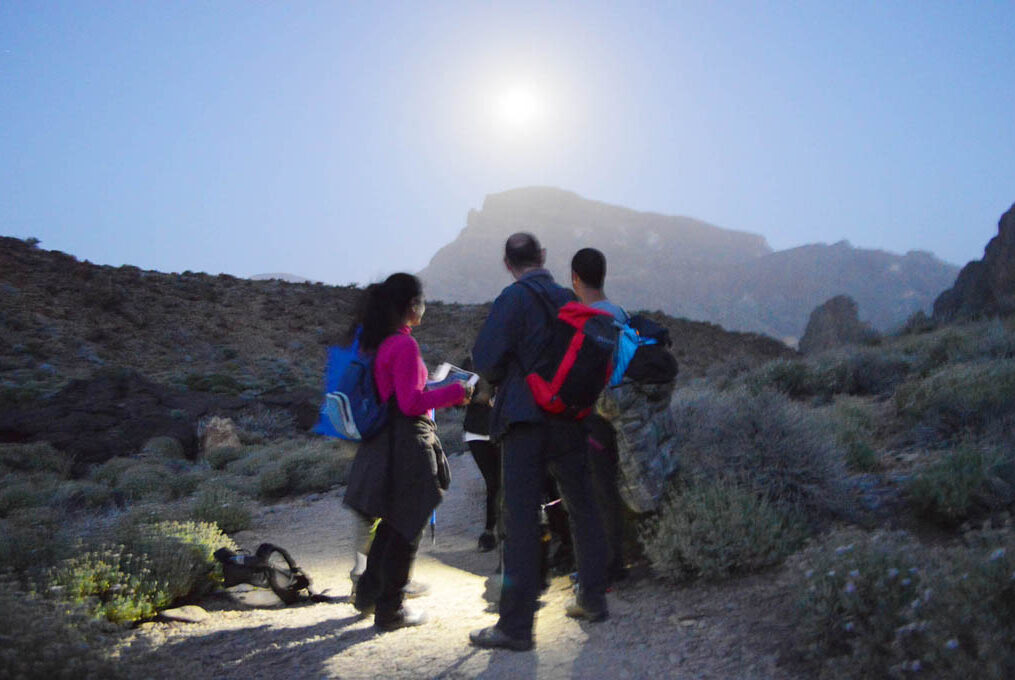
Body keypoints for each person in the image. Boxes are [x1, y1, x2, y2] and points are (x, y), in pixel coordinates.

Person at [468, 233, 609, 652]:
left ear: (508, 263)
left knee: (521, 519)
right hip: (569, 417)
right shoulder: (567, 296)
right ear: (543, 257)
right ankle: (593, 599)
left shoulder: (512, 299)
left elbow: (487, 360)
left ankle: (515, 626)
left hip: (525, 419)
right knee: (583, 507)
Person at [343, 273, 470, 631]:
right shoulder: (402, 346)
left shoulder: (381, 343)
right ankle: (391, 610)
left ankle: (368, 594)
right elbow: (412, 402)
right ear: (411, 306)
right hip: (408, 441)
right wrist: (455, 392)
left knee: (393, 524)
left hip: (388, 441)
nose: (425, 306)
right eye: (421, 300)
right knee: (407, 526)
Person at [570, 247, 629, 583]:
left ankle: (605, 567)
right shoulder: (620, 313)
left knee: (595, 490)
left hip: (593, 414)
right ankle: (616, 558)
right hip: (623, 408)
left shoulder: (586, 319)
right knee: (613, 488)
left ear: (575, 278)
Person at [460, 355, 501, 553]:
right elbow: (457, 403)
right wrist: (471, 396)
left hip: (502, 429)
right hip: (477, 431)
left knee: (500, 481)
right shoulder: (471, 364)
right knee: (493, 481)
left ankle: (497, 530)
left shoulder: (505, 359)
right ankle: (490, 530)